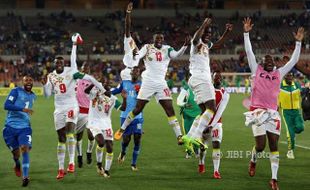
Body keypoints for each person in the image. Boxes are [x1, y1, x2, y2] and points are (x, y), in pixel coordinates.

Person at [242, 17, 304, 190]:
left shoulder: (279, 73)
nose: (269, 62)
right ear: (262, 63)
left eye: (271, 61)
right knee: (261, 146)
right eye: (266, 60)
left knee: (274, 144)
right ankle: (254, 160)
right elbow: (249, 53)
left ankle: (274, 178)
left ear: (274, 63)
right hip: (257, 112)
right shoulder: (256, 70)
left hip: (273, 113)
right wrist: (246, 33)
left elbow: (292, 61)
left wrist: (298, 43)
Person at [42, 33, 105, 180]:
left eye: (61, 62)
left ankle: (71, 162)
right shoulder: (51, 76)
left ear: (64, 64)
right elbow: (46, 95)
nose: (59, 64)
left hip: (72, 106)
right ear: (54, 64)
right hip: (58, 109)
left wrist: (74, 44)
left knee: (70, 132)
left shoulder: (72, 71)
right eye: (57, 63)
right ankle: (60, 168)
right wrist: (45, 84)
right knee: (61, 138)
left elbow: (76, 62)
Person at [114, 31, 191, 145]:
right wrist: (135, 53)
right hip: (148, 82)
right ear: (153, 40)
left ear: (163, 40)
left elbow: (176, 55)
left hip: (161, 83)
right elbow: (138, 56)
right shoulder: (147, 47)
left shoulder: (167, 49)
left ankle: (179, 135)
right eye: (157, 39)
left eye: (161, 38)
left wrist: (185, 45)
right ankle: (122, 128)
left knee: (169, 108)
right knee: (138, 109)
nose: (159, 40)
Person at [181, 17, 233, 151]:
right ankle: (198, 136)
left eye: (210, 34)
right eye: (206, 33)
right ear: (202, 33)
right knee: (212, 109)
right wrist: (203, 25)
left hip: (196, 80)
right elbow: (195, 38)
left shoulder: (206, 45)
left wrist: (227, 32)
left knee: (204, 112)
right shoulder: (196, 43)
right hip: (201, 79)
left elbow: (218, 44)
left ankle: (189, 136)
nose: (208, 36)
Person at [85, 80, 126, 178]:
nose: (106, 85)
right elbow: (86, 91)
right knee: (101, 142)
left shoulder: (112, 98)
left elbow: (123, 108)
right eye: (104, 84)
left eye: (108, 84)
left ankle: (107, 171)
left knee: (110, 148)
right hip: (94, 122)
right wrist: (94, 83)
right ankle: (99, 164)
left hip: (106, 124)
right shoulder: (95, 93)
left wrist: (125, 98)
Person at [3, 75, 36, 187]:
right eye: (26, 80)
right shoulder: (16, 91)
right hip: (10, 128)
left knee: (24, 149)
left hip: (24, 128)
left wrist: (29, 126)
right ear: (22, 82)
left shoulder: (33, 96)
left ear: (32, 83)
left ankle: (25, 177)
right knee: (16, 154)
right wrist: (22, 109)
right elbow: (6, 105)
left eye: (30, 80)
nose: (28, 82)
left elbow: (27, 115)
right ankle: (17, 164)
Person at [199, 72, 229, 178]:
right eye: (216, 77)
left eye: (219, 77)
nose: (218, 79)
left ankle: (216, 171)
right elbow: (201, 105)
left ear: (222, 79)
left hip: (216, 123)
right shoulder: (207, 91)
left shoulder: (225, 93)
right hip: (205, 122)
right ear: (212, 79)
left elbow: (219, 111)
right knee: (203, 146)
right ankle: (201, 162)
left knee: (216, 145)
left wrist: (211, 126)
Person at [112, 66, 143, 171]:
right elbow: (116, 91)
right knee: (126, 139)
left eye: (137, 72)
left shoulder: (142, 85)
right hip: (125, 115)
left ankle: (133, 164)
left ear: (139, 74)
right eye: (133, 72)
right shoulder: (124, 83)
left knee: (137, 139)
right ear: (131, 73)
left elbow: (146, 98)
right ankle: (123, 152)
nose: (135, 73)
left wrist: (140, 93)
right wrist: (105, 93)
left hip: (137, 116)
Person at [75, 62, 97, 167]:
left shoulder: (92, 80)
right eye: (84, 68)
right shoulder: (76, 79)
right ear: (81, 69)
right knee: (78, 136)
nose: (85, 70)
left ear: (89, 70)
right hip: (78, 111)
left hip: (89, 112)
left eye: (87, 68)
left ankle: (89, 152)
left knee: (91, 134)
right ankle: (79, 156)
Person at [278, 72, 304, 159]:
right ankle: (290, 151)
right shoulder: (280, 86)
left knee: (300, 128)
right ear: (284, 76)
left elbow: (301, 94)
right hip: (286, 112)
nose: (289, 77)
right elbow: (276, 97)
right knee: (290, 133)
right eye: (288, 76)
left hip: (296, 111)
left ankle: (292, 131)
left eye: (291, 76)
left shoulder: (296, 85)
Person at [177, 70, 201, 158]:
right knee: (187, 134)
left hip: (198, 114)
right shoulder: (186, 89)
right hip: (187, 115)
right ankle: (189, 152)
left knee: (197, 134)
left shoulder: (200, 88)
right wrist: (184, 104)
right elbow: (179, 100)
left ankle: (197, 150)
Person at [121, 2, 139, 81]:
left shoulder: (134, 45)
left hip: (134, 71)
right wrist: (128, 12)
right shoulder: (128, 40)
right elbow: (127, 26)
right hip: (128, 72)